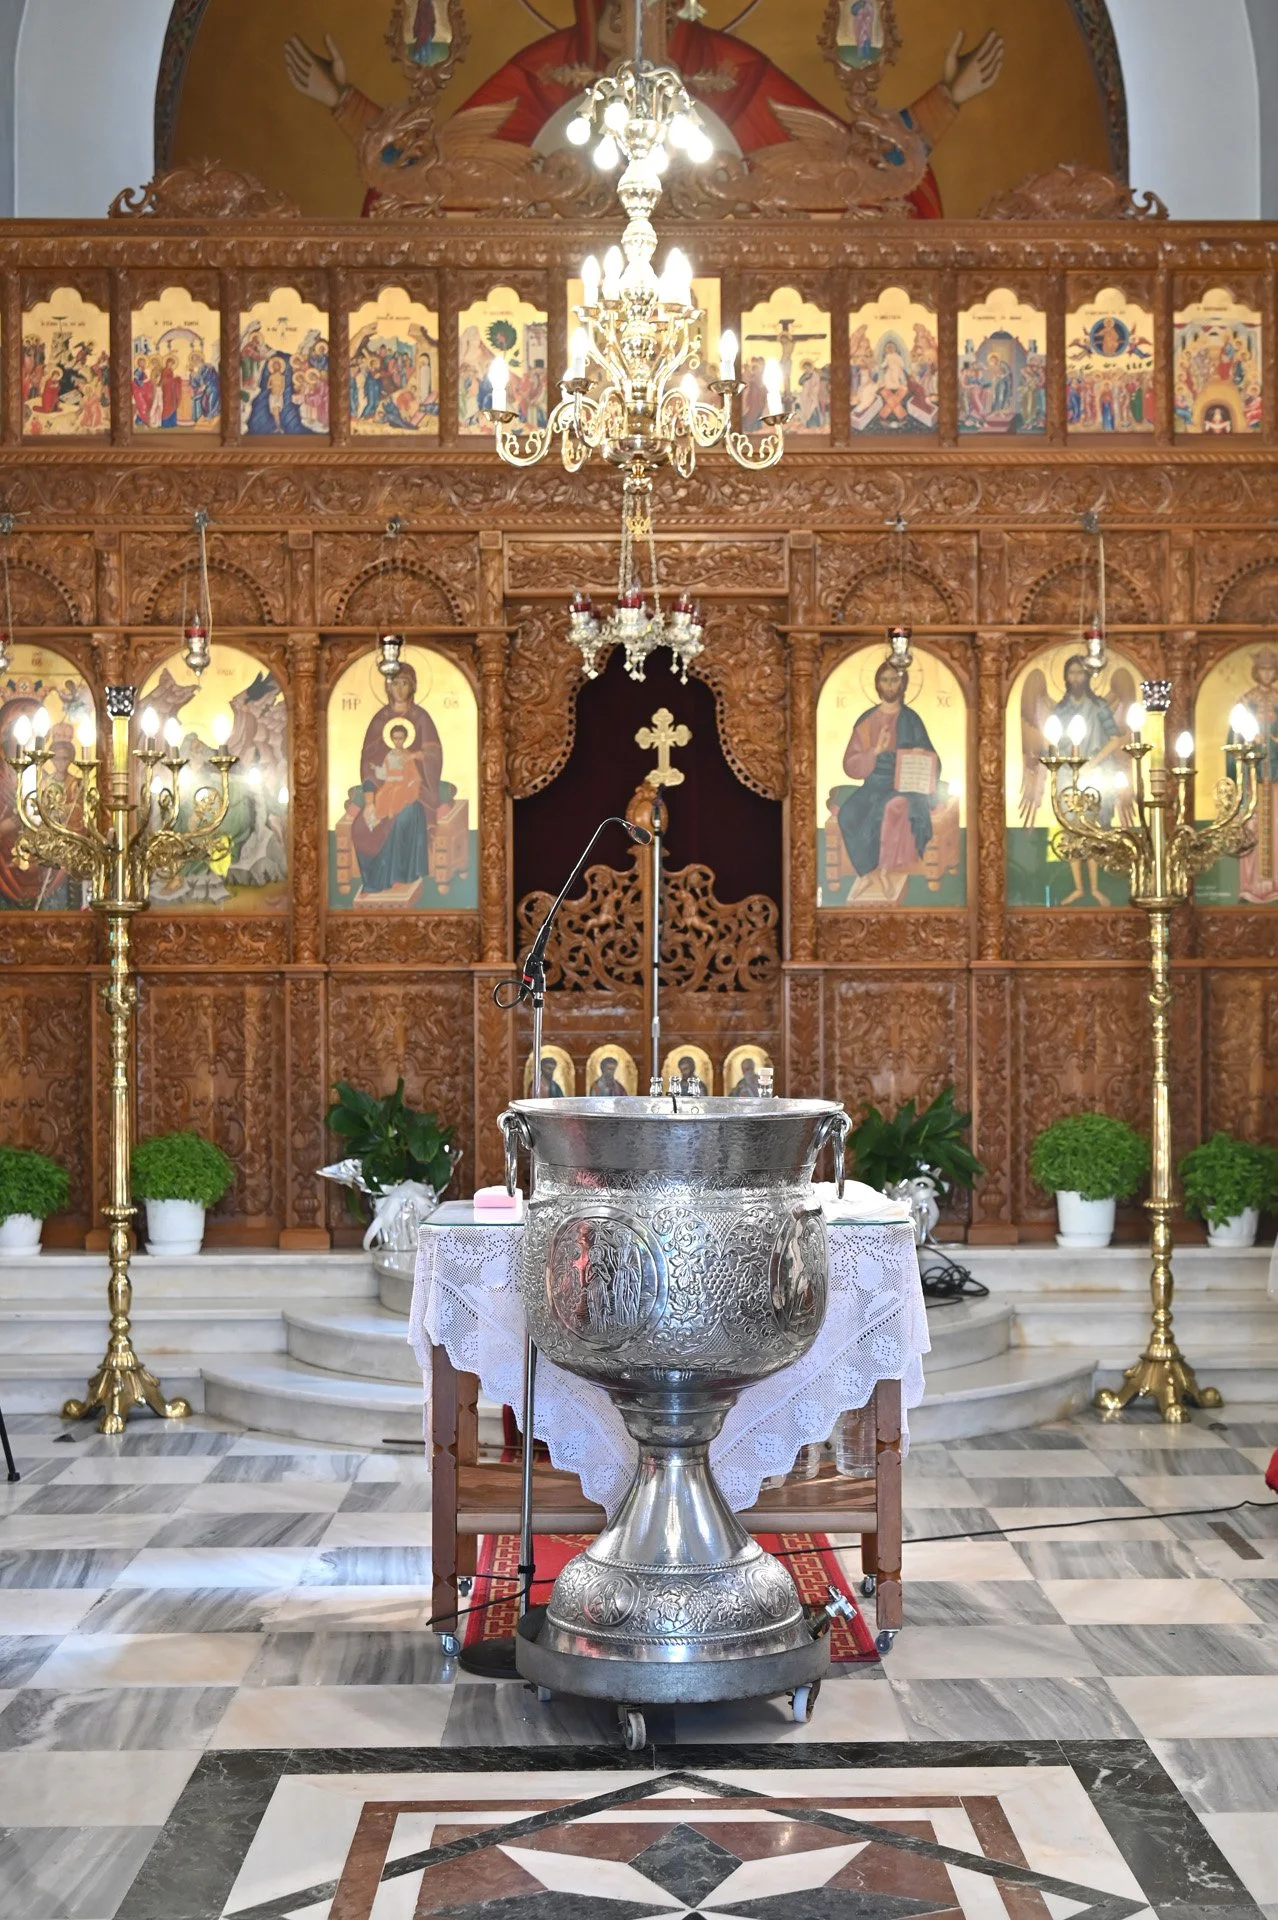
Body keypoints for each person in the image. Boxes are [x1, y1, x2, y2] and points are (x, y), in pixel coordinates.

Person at [284, 6, 1002, 220]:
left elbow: (851, 174)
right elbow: (429, 179)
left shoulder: (733, 71)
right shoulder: (543, 71)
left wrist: (945, 103)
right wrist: (346, 105)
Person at [837, 658, 939, 901]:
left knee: (885, 810)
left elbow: (932, 758)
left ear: (902, 684)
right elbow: (850, 764)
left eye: (894, 680)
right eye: (885, 680)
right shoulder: (867, 721)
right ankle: (866, 872)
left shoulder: (912, 720)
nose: (890, 685)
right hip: (873, 783)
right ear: (877, 684)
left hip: (904, 785)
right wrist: (875, 751)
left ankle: (883, 871)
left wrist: (919, 755)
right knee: (848, 813)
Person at [1047, 655, 1126, 905]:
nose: (1076, 678)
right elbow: (1054, 742)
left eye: (1081, 673)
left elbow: (1115, 738)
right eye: (1072, 673)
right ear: (1065, 677)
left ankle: (1095, 888)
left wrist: (1093, 762)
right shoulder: (1061, 709)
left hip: (1095, 772)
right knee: (1072, 831)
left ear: (1088, 677)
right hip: (1067, 775)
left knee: (1092, 830)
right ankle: (1079, 888)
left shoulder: (1099, 706)